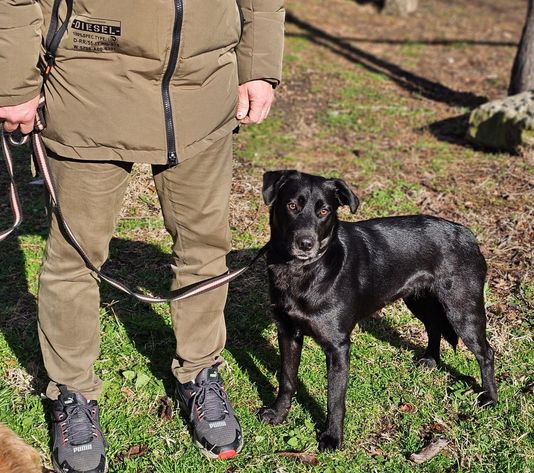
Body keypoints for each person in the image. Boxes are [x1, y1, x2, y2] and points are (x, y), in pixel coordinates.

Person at [0, 1, 285, 471]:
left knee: (205, 247)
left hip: (203, 91)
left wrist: (258, 64)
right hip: (90, 82)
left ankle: (199, 373)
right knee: (76, 256)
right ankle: (71, 392)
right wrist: (13, 81)